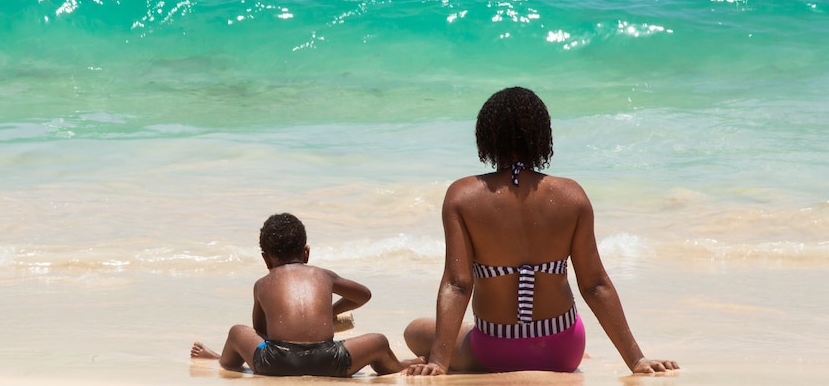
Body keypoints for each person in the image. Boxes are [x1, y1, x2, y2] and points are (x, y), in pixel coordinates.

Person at [402, 87, 678, 376]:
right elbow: (595, 285)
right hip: (564, 350)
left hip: (495, 351)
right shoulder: (572, 195)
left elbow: (457, 285)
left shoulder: (462, 196)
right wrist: (636, 360)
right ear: (542, 137)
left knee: (415, 331)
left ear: (485, 136)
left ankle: (450, 350)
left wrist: (438, 363)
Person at [191, 212, 417, 377]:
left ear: (265, 259)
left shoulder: (262, 284)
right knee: (378, 341)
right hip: (328, 360)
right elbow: (363, 296)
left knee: (236, 332)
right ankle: (399, 367)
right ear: (306, 252)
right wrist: (330, 312)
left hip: (275, 362)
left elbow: (261, 334)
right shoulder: (323, 276)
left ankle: (224, 361)